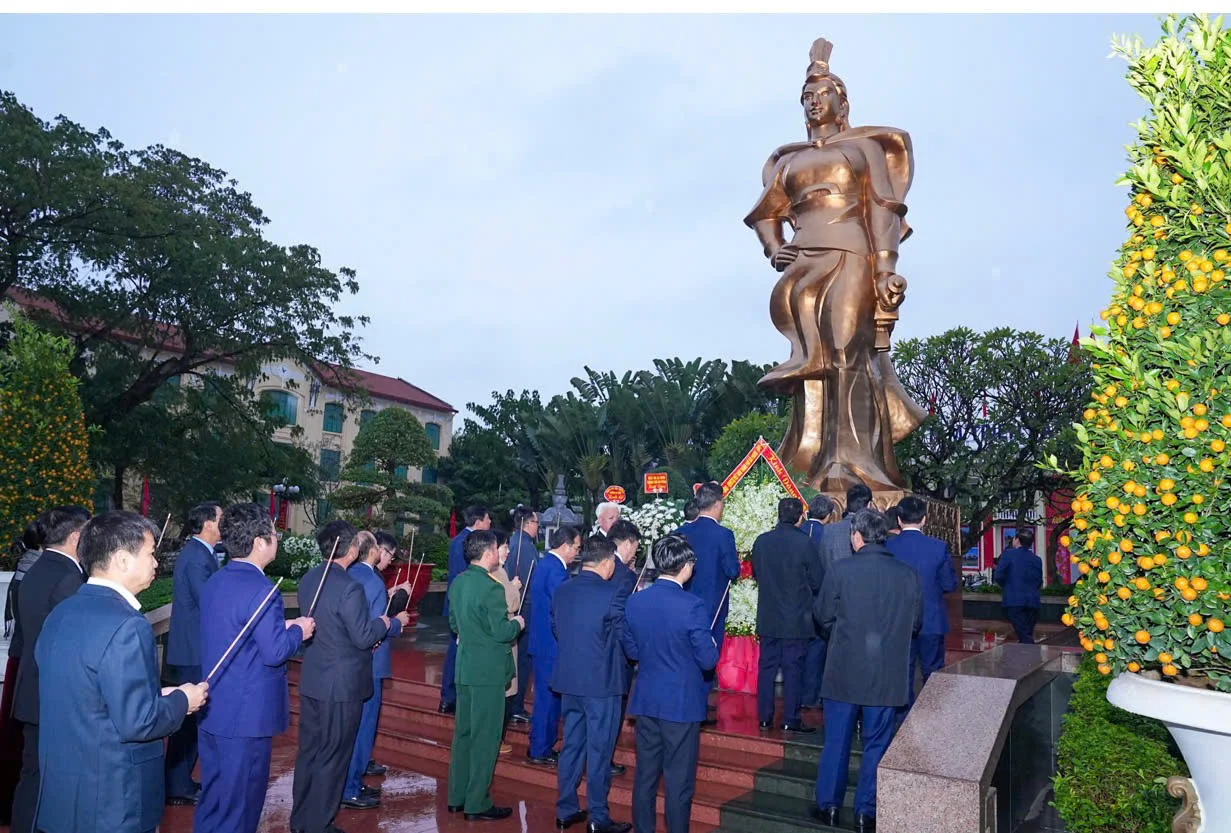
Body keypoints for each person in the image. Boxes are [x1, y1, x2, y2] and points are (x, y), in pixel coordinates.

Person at [35, 511, 209, 833]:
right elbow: (139, 722)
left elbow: (89, 695)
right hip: (113, 800)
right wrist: (184, 700)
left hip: (65, 793)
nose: (156, 563)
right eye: (150, 553)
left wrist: (155, 696)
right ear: (122, 560)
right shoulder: (128, 625)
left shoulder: (61, 612)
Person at [195, 503, 314, 833]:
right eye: (274, 534)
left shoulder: (216, 581)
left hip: (213, 707)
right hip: (246, 717)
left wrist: (281, 627)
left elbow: (237, 630)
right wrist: (299, 631)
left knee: (214, 800)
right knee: (241, 808)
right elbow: (275, 652)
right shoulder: (263, 590)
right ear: (260, 542)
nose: (277, 540)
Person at [811, 509, 921, 832]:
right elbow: (916, 623)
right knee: (876, 744)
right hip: (886, 675)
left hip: (844, 671)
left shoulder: (840, 570)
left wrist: (842, 637)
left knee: (837, 741)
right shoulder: (908, 575)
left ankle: (829, 806)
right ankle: (865, 812)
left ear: (857, 537)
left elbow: (822, 615)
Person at [291, 522, 390, 833]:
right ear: (351, 549)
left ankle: (301, 821)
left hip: (314, 679)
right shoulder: (349, 586)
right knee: (333, 756)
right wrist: (384, 623)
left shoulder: (310, 577)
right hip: (342, 685)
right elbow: (363, 636)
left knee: (309, 753)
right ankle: (319, 824)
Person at [623, 534, 719, 833]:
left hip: (647, 699)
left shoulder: (636, 600)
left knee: (645, 776)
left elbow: (631, 649)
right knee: (678, 781)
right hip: (680, 703)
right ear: (686, 566)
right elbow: (708, 660)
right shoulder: (692, 605)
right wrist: (711, 645)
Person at [9, 505, 90, 833]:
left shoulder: (37, 569)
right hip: (56, 698)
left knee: (33, 779)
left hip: (33, 692)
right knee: (51, 783)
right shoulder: (69, 577)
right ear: (76, 537)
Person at [552, 536, 633, 833]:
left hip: (569, 680)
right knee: (599, 751)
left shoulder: (563, 589)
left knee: (572, 746)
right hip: (602, 684)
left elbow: (556, 627)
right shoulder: (614, 593)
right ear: (607, 562)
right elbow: (625, 637)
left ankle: (566, 809)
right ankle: (598, 817)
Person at [446, 530, 525, 821]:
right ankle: (477, 802)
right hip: (488, 672)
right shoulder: (491, 587)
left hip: (465, 668)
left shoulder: (459, 582)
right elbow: (502, 631)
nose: (498, 554)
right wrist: (518, 623)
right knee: (486, 739)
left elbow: (454, 623)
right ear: (488, 553)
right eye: (495, 549)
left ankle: (457, 796)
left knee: (464, 735)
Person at [342, 530, 412, 810]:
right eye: (389, 555)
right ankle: (351, 786)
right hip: (370, 663)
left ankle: (350, 781)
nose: (390, 561)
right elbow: (374, 628)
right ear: (377, 550)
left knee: (351, 727)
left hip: (347, 663)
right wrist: (397, 622)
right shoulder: (372, 581)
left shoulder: (349, 574)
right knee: (363, 728)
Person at [163, 500, 223, 806]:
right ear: (209, 523)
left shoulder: (202, 553)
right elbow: (209, 600)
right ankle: (176, 785)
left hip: (194, 648)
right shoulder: (197, 557)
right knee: (187, 722)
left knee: (191, 721)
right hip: (192, 651)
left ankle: (180, 781)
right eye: (221, 518)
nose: (225, 523)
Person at [750, 498, 823, 733]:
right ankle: (790, 719)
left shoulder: (762, 541)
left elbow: (756, 573)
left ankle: (764, 718)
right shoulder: (805, 543)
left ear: (778, 515)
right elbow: (818, 581)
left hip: (768, 615)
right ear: (801, 517)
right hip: (796, 618)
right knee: (793, 669)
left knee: (767, 668)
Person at [886, 496, 958, 703]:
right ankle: (932, 711)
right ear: (924, 519)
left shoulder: (888, 547)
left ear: (899, 519)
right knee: (933, 673)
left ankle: (904, 715)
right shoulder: (938, 547)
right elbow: (949, 584)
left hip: (898, 621)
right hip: (931, 619)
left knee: (902, 673)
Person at [527, 525, 582, 765]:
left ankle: (540, 745)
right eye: (577, 548)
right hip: (551, 645)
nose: (577, 553)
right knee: (548, 701)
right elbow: (564, 606)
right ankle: (540, 749)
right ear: (566, 546)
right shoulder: (556, 571)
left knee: (546, 698)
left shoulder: (545, 564)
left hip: (542, 642)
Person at [675, 482, 739, 672]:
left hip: (681, 602)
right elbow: (732, 571)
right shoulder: (723, 534)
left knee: (683, 653)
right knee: (707, 656)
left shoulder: (680, 532)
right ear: (718, 504)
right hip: (712, 606)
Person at [441, 504, 491, 714]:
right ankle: (449, 697)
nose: (490, 523)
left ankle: (450, 696)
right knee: (456, 651)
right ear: (478, 521)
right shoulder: (466, 542)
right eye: (488, 519)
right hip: (462, 606)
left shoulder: (460, 539)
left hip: (459, 603)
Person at [605, 520, 641, 777]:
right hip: (617, 653)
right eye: (636, 546)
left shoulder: (599, 565)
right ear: (627, 543)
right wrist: (633, 651)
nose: (635, 552)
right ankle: (605, 759)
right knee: (614, 710)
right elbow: (622, 617)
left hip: (594, 648)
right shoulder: (626, 576)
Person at [504, 506, 539, 723]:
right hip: (524, 607)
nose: (538, 527)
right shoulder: (524, 546)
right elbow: (530, 582)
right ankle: (516, 705)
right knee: (523, 659)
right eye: (536, 523)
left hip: (517, 605)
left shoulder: (513, 541)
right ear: (528, 523)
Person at [801, 494, 834, 709]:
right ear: (829, 515)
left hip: (795, 601)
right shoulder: (829, 535)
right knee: (817, 650)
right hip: (819, 599)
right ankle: (812, 696)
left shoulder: (799, 531)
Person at [994, 528, 1043, 645]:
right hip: (1033, 602)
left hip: (1014, 601)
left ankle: (1032, 655)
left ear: (1017, 540)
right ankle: (1024, 654)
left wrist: (1008, 587)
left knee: (1025, 636)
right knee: (1026, 633)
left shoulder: (1008, 555)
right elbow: (1039, 581)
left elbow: (998, 576)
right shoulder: (1037, 559)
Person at [818, 483, 872, 575]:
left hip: (835, 581)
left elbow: (823, 562)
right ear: (869, 505)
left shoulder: (828, 530)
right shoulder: (871, 529)